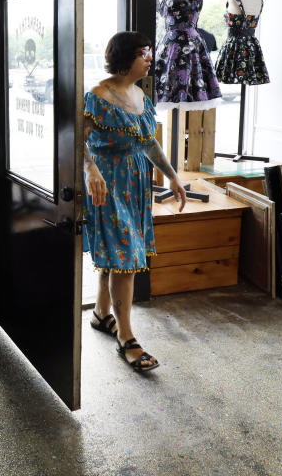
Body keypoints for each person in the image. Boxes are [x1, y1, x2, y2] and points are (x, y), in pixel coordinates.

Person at [83, 31, 187, 372]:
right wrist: (91, 170)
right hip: (108, 186)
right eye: (144, 53)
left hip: (136, 185)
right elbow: (74, 142)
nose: (150, 59)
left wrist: (171, 175)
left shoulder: (140, 95)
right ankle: (126, 337)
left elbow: (148, 143)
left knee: (117, 254)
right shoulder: (98, 96)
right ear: (126, 57)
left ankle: (101, 314)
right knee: (125, 255)